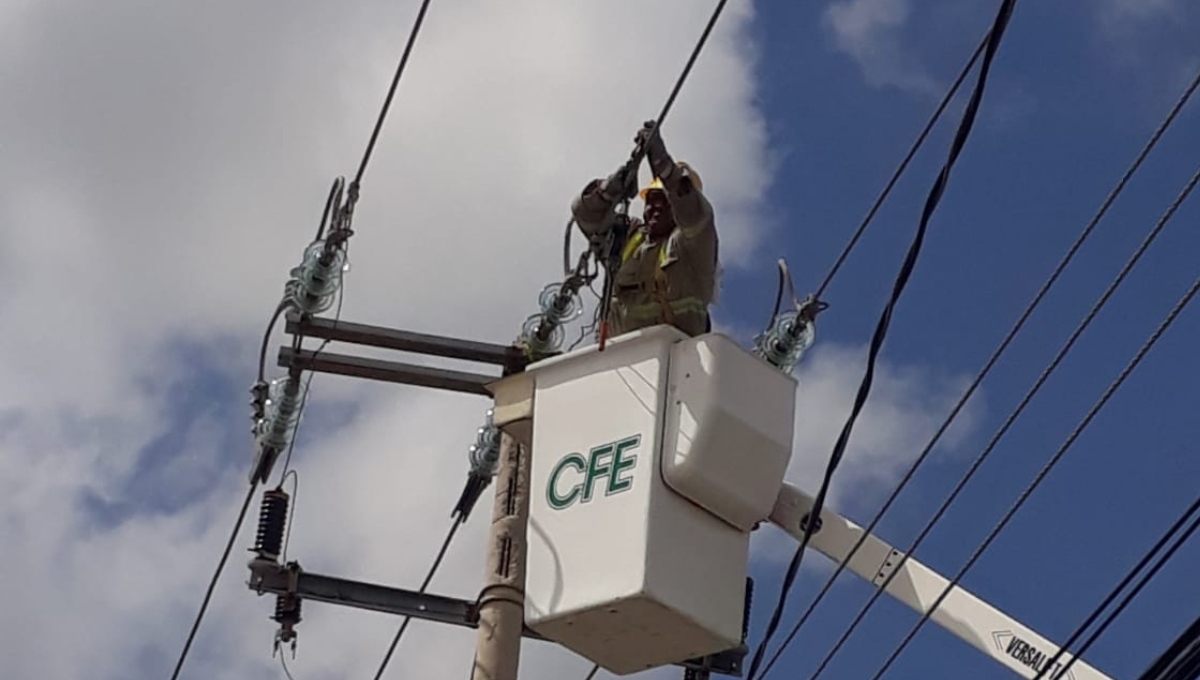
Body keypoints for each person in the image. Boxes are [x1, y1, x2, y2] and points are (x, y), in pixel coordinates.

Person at [571, 122, 719, 338]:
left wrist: (664, 166)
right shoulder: (629, 237)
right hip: (616, 357)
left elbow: (691, 211)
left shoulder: (694, 246)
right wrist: (609, 189)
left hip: (674, 357)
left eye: (665, 202)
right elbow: (586, 215)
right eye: (651, 201)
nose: (655, 208)